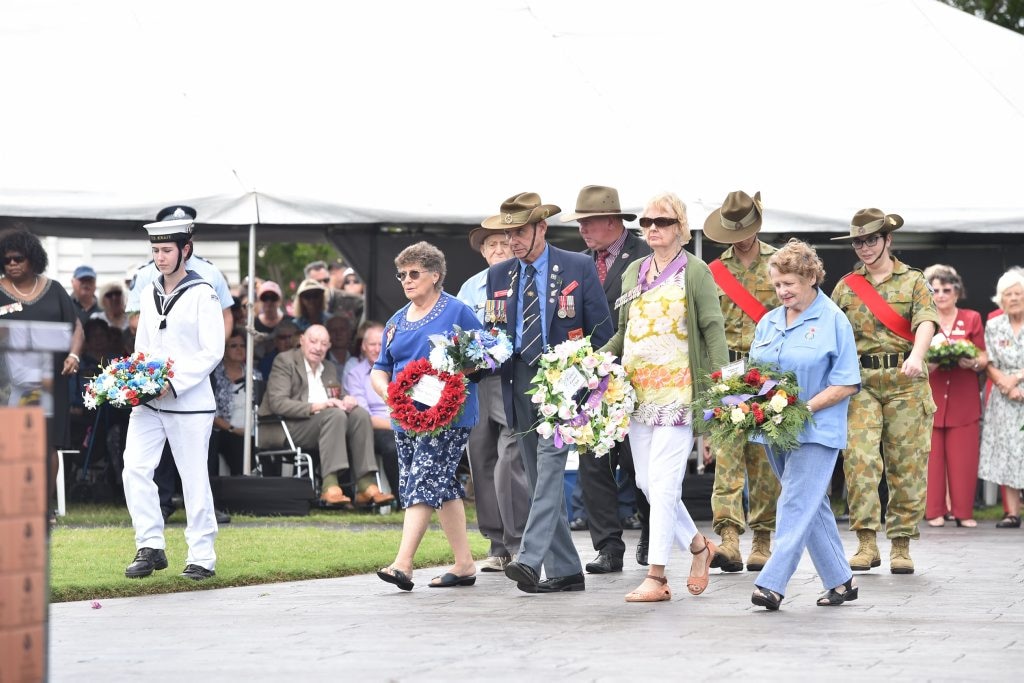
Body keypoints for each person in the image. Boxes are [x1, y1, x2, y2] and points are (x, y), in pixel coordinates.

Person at [479, 192, 613, 594]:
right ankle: (566, 568)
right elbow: (495, 334)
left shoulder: (578, 266)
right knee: (538, 478)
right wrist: (475, 354)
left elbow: (601, 332)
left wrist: (592, 386)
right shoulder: (499, 275)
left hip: (564, 380)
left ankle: (530, 557)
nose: (513, 241)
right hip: (518, 378)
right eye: (508, 233)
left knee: (552, 468)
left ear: (542, 228)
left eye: (520, 231)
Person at [600, 191, 727, 602]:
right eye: (648, 222)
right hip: (636, 394)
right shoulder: (634, 270)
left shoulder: (697, 271)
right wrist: (588, 361)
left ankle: (657, 576)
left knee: (666, 482)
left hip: (679, 392)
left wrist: (721, 391)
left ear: (682, 230)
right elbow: (624, 331)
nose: (653, 228)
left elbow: (713, 330)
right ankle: (698, 547)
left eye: (663, 222)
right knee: (646, 482)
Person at [747, 239, 862, 611]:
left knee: (795, 501)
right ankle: (841, 581)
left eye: (789, 285)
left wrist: (801, 409)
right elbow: (753, 375)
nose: (782, 292)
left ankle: (772, 583)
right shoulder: (768, 321)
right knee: (810, 504)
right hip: (775, 429)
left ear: (811, 276)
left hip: (817, 429)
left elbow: (846, 382)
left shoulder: (833, 320)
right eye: (777, 285)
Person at [831, 208, 937, 574]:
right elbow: (833, 333)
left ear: (888, 240)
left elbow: (926, 320)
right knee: (859, 461)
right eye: (858, 241)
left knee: (906, 464)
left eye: (871, 240)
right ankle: (865, 542)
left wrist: (917, 356)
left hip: (905, 382)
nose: (864, 247)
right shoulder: (846, 286)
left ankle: (902, 544)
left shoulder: (914, 281)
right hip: (860, 383)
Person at [370, 242, 482, 591]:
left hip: (449, 417)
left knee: (422, 481)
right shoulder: (396, 320)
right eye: (402, 274)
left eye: (414, 273)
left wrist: (457, 375)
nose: (406, 280)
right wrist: (393, 397)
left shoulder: (458, 311)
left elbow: (483, 354)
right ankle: (464, 565)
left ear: (435, 275)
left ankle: (402, 564)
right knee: (442, 487)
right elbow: (379, 369)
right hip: (406, 419)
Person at [121, 216, 225, 580]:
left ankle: (202, 556)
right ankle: (150, 546)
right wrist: (132, 380)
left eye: (167, 250)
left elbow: (212, 351)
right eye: (155, 250)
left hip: (189, 401)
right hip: (149, 400)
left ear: (186, 250)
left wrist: (173, 381)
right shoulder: (148, 291)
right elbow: (143, 345)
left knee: (193, 477)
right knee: (134, 467)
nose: (160, 257)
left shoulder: (204, 292)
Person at [562, 184, 652, 572]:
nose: (583, 229)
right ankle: (608, 547)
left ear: (613, 221)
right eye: (580, 222)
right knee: (593, 461)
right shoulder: (579, 263)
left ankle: (652, 534)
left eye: (589, 221)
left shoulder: (648, 258)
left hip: (636, 376)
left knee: (639, 464)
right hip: (591, 381)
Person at [702, 190, 781, 573]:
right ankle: (729, 538)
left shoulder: (779, 263)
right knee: (727, 456)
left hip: (768, 372)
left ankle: (763, 538)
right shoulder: (712, 271)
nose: (741, 238)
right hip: (729, 372)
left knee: (765, 459)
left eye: (746, 230)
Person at [456, 226, 530, 573]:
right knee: (481, 459)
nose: (499, 249)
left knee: (510, 458)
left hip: (512, 378)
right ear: (483, 251)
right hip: (477, 383)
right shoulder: (469, 287)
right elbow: (455, 333)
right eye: (492, 245)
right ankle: (496, 542)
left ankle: (518, 542)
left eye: (504, 242)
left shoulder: (524, 278)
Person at [0, 228, 85, 526]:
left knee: (47, 446)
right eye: (6, 259)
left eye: (18, 258)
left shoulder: (55, 289)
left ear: (33, 258)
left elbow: (76, 328)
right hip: (8, 384)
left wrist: (73, 355)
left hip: (51, 381)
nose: (12, 264)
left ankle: (43, 507)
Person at [261, 324, 394, 508]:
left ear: (329, 346)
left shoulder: (329, 367)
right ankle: (330, 486)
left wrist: (346, 400)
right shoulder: (285, 361)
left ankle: (365, 484)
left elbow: (335, 398)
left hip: (325, 424)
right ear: (301, 341)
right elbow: (278, 403)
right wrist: (317, 406)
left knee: (359, 414)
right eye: (313, 341)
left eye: (323, 343)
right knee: (334, 415)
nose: (318, 347)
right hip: (288, 426)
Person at [924, 264, 987, 528]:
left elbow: (983, 356)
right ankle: (934, 511)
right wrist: (931, 364)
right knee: (932, 459)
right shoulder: (924, 319)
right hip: (933, 397)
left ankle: (963, 512)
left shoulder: (971, 318)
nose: (940, 295)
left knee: (964, 458)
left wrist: (972, 363)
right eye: (935, 290)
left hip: (964, 398)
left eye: (946, 290)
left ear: (957, 292)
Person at [978, 269, 1024, 528]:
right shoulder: (994, 325)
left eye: (1018, 293)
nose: (1014, 298)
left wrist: (1016, 378)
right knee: (1007, 452)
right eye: (1009, 294)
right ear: (1001, 299)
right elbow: (989, 362)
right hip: (1004, 399)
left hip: (1017, 386)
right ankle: (1012, 513)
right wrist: (1005, 385)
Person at [344, 320, 400, 502]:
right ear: (363, 347)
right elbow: (365, 417)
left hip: (402, 423)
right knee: (393, 446)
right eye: (372, 344)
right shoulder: (356, 374)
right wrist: (401, 426)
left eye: (381, 344)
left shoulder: (399, 369)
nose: (377, 349)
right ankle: (402, 501)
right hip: (375, 430)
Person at [210, 327, 262, 476]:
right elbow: (211, 413)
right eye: (233, 346)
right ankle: (240, 488)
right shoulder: (214, 376)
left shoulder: (255, 375)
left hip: (254, 431)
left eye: (242, 345)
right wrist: (233, 429)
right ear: (224, 350)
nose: (239, 349)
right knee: (237, 444)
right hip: (225, 431)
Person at [253, 280, 286, 359]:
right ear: (259, 301)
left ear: (279, 300)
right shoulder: (253, 324)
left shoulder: (288, 322)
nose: (269, 302)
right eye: (265, 298)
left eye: (273, 298)